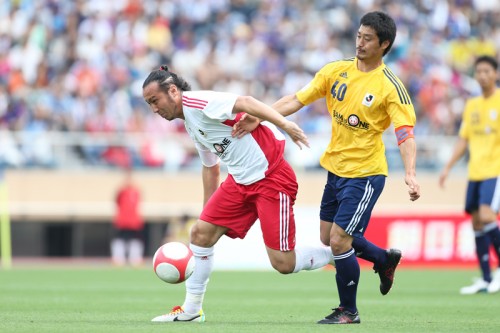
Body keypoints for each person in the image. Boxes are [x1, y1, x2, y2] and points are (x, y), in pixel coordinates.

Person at [234, 11, 420, 324]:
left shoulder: (391, 87)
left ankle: (349, 311)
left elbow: (405, 134)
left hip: (365, 174)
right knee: (327, 238)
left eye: (368, 39)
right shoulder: (336, 70)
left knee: (339, 241)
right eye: (359, 35)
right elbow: (297, 99)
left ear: (384, 44)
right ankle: (382, 258)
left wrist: (411, 173)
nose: (360, 43)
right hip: (336, 170)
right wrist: (260, 115)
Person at [142, 65, 334, 323]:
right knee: (199, 233)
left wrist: (285, 124)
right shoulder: (189, 122)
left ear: (173, 91)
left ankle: (338, 252)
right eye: (148, 104)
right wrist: (206, 215)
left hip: (271, 177)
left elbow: (247, 102)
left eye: (155, 101)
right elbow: (211, 167)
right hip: (240, 182)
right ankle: (191, 311)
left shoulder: (200, 102)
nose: (154, 109)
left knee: (283, 264)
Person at [439, 55, 500, 295]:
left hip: (494, 171)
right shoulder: (472, 105)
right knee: (476, 222)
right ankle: (485, 278)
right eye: (479, 71)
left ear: (495, 74)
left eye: (487, 71)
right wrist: (447, 167)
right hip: (475, 172)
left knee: (486, 215)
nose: (483, 75)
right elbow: (463, 140)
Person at [110, 168, 145, 267]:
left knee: (135, 239)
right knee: (120, 239)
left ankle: (135, 258)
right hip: (123, 220)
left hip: (134, 221)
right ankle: (118, 258)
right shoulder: (121, 191)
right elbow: (116, 201)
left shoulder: (136, 191)